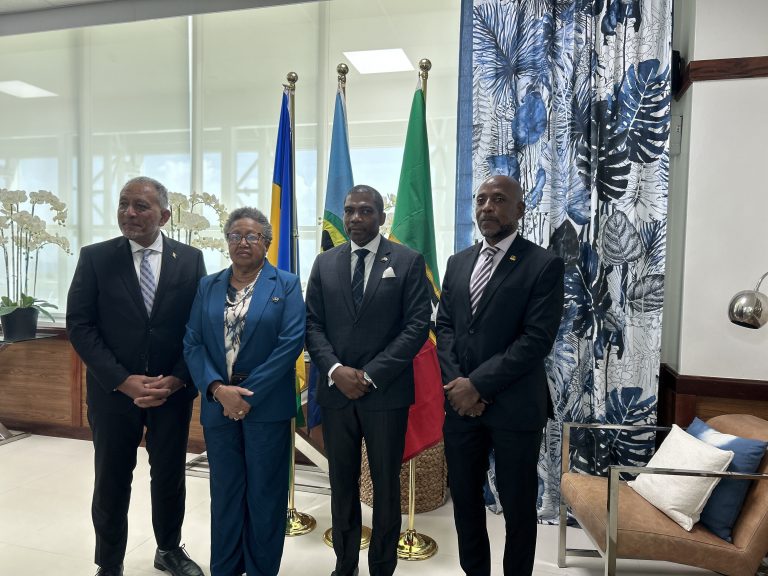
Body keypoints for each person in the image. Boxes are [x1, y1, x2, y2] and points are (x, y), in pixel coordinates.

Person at [66, 176, 206, 576]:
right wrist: (122, 380)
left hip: (170, 393)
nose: (129, 213)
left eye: (141, 206)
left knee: (169, 476)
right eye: (123, 204)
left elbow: (199, 326)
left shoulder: (190, 259)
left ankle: (169, 550)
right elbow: (80, 325)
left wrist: (178, 379)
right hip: (113, 393)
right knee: (111, 478)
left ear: (164, 215)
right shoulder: (95, 257)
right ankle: (109, 562)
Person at [436, 174, 565, 576]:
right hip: (461, 408)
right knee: (466, 501)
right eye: (481, 200)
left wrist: (477, 385)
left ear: (519, 210)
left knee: (518, 507)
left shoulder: (543, 264)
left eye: (498, 199)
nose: (487, 207)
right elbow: (445, 327)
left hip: (515, 408)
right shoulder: (458, 262)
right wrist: (459, 387)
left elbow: (536, 339)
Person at [305, 184, 431, 576]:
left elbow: (416, 326)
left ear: (381, 216)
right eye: (349, 210)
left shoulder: (408, 261)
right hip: (336, 393)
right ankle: (345, 565)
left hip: (386, 394)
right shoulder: (324, 263)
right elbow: (312, 324)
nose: (355, 218)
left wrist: (371, 375)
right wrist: (334, 370)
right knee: (342, 486)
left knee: (385, 487)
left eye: (365, 210)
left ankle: (381, 567)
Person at [183, 207, 305, 576]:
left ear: (266, 242)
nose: (243, 242)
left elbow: (290, 343)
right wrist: (218, 389)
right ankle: (225, 568)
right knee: (225, 494)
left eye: (252, 236)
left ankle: (261, 569)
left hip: (265, 407)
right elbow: (192, 341)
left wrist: (244, 394)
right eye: (235, 235)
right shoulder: (208, 285)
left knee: (265, 495)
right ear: (227, 242)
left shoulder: (286, 284)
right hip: (218, 404)